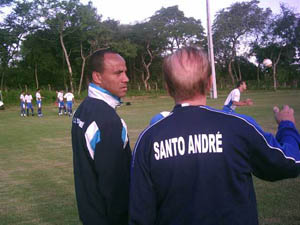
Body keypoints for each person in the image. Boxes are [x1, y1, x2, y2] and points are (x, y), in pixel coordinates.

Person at [129, 46, 300, 225]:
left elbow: (140, 214)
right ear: (210, 83)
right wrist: (287, 125)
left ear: (167, 87)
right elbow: (289, 163)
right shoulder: (238, 127)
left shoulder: (147, 139)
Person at [72, 49, 132, 225]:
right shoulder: (109, 122)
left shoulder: (83, 109)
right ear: (97, 77)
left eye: (125, 72)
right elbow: (114, 187)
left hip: (90, 214)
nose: (126, 78)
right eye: (118, 73)